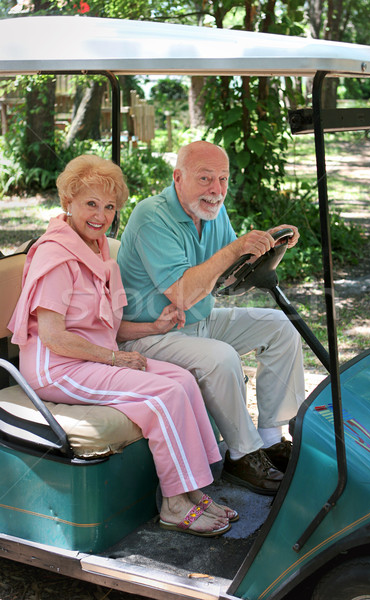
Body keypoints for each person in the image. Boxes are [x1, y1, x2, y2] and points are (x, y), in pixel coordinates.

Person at [8, 154, 238, 537]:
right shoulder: (56, 254)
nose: (101, 215)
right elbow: (53, 337)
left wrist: (153, 326)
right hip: (57, 369)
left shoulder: (96, 249)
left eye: (110, 206)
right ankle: (174, 503)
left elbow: (105, 328)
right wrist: (115, 359)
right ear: (69, 203)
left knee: (181, 380)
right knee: (162, 395)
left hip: (89, 360)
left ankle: (193, 488)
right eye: (91, 204)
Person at [117, 140, 305, 496]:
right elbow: (184, 293)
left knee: (282, 327)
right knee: (221, 357)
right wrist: (236, 248)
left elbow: (229, 279)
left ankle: (270, 438)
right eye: (205, 179)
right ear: (178, 177)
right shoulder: (151, 216)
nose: (216, 190)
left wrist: (268, 248)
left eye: (222, 179)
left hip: (198, 321)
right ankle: (242, 455)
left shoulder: (213, 211)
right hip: (149, 335)